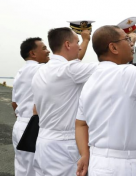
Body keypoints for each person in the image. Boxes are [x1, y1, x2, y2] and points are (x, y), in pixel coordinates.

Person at [75, 26, 136, 176]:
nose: (131, 44)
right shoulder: (127, 74)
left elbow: (80, 124)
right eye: (127, 39)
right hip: (119, 166)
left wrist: (84, 154)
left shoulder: (91, 80)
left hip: (97, 161)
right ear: (113, 47)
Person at [32, 28, 96, 176]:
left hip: (42, 142)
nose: (80, 47)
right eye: (77, 42)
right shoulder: (68, 70)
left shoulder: (40, 71)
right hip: (64, 146)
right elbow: (109, 69)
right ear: (67, 45)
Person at [12, 37, 50, 176]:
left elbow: (14, 103)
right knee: (33, 170)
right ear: (33, 53)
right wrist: (85, 40)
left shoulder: (20, 72)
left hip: (20, 124)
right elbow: (66, 66)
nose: (48, 51)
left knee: (22, 168)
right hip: (31, 125)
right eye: (44, 48)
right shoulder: (39, 69)